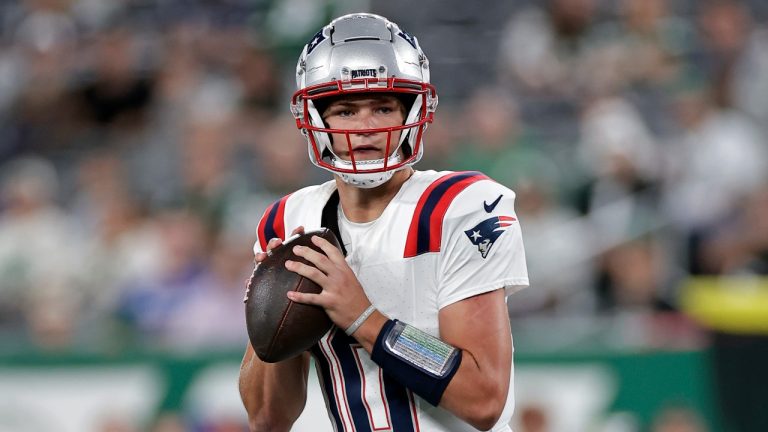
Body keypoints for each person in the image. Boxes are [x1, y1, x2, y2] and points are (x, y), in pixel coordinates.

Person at [239, 13, 529, 432]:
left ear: (413, 110)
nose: (367, 128)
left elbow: (484, 399)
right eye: (345, 110)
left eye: (383, 107)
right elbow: (267, 419)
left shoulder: (462, 206)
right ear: (315, 119)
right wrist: (278, 317)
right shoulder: (288, 220)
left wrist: (364, 318)